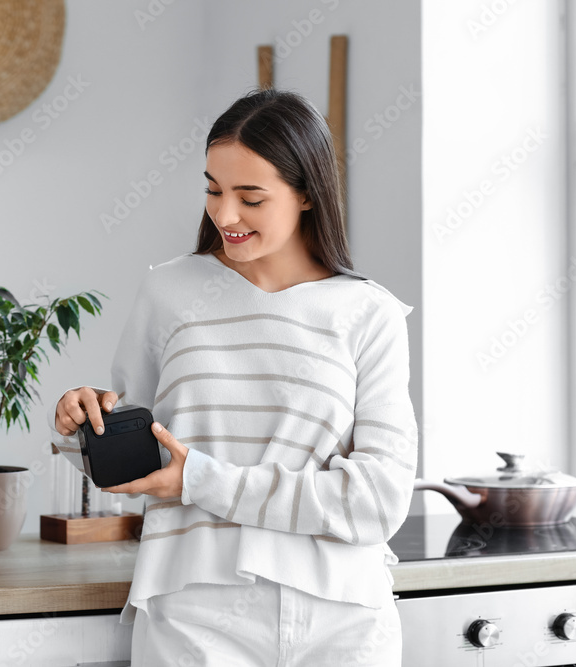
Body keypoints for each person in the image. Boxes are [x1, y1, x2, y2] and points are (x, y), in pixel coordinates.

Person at [47, 88, 417, 666]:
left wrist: (204, 482)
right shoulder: (169, 292)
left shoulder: (369, 313)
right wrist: (83, 422)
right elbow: (143, 459)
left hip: (345, 619)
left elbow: (376, 503)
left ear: (306, 196)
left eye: (250, 197)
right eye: (214, 190)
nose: (224, 215)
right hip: (195, 611)